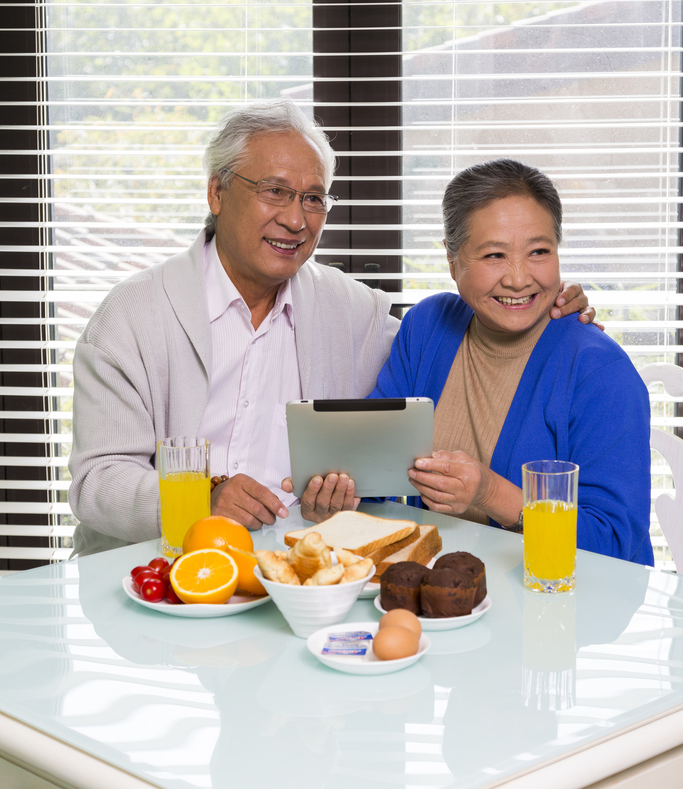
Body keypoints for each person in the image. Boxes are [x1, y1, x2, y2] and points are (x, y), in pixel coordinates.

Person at [69, 103, 595, 555]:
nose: (297, 220)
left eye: (314, 198)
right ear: (217, 192)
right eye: (275, 191)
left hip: (308, 572)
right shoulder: (132, 318)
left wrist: (543, 302)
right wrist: (197, 502)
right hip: (168, 572)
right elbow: (96, 483)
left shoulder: (353, 310)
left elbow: (443, 349)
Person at [369, 158, 653, 564]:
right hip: (443, 594)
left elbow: (611, 543)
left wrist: (490, 492)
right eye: (494, 255)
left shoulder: (600, 372)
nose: (519, 278)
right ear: (452, 261)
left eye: (539, 251)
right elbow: (375, 463)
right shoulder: (428, 326)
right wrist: (340, 488)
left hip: (561, 608)